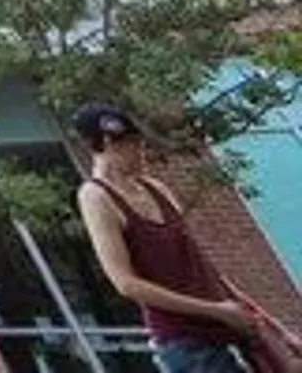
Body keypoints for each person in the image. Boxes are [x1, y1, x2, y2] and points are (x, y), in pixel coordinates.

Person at [73, 102, 302, 373]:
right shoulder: (96, 197)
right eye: (136, 143)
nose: (143, 152)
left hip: (230, 325)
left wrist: (277, 329)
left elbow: (205, 270)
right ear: (110, 142)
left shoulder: (157, 188)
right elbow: (127, 284)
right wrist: (216, 311)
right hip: (186, 343)